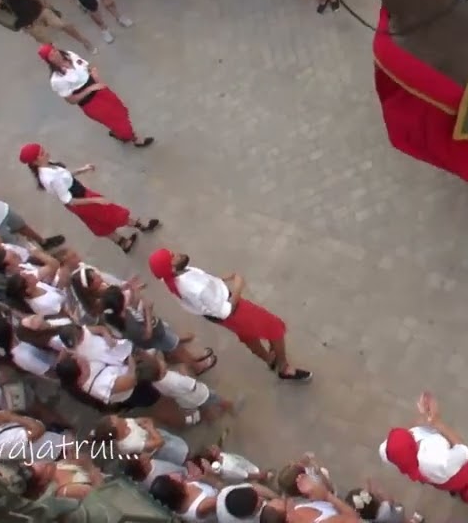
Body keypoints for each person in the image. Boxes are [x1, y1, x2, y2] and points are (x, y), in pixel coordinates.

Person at [147, 248, 312, 381]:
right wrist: (239, 284)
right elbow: (225, 310)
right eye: (173, 256)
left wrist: (219, 280)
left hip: (219, 308)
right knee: (275, 328)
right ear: (172, 268)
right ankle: (284, 368)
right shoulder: (194, 288)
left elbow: (205, 288)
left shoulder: (172, 277)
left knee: (248, 335)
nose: (177, 253)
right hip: (232, 310)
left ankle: (268, 359)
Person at [380, 392, 468, 515]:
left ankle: (456, 491)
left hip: (441, 478)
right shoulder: (436, 461)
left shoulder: (389, 451)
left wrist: (425, 416)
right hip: (460, 473)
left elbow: (411, 431)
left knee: (454, 487)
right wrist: (437, 422)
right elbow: (463, 450)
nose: (412, 432)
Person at [18, 143, 160, 252]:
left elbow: (66, 176)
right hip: (81, 200)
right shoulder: (50, 177)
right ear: (35, 161)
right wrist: (95, 200)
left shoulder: (48, 167)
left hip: (81, 196)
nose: (46, 152)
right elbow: (68, 200)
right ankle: (142, 226)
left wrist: (82, 169)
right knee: (113, 212)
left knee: (98, 223)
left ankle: (123, 243)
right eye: (42, 153)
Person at [38, 45, 155, 148]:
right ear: (49, 61)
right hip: (91, 103)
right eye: (51, 55)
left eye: (54, 51)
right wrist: (89, 89)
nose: (56, 54)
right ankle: (135, 139)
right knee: (118, 122)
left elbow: (85, 66)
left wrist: (94, 75)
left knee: (121, 110)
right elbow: (71, 100)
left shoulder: (70, 55)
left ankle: (118, 133)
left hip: (100, 90)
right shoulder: (57, 80)